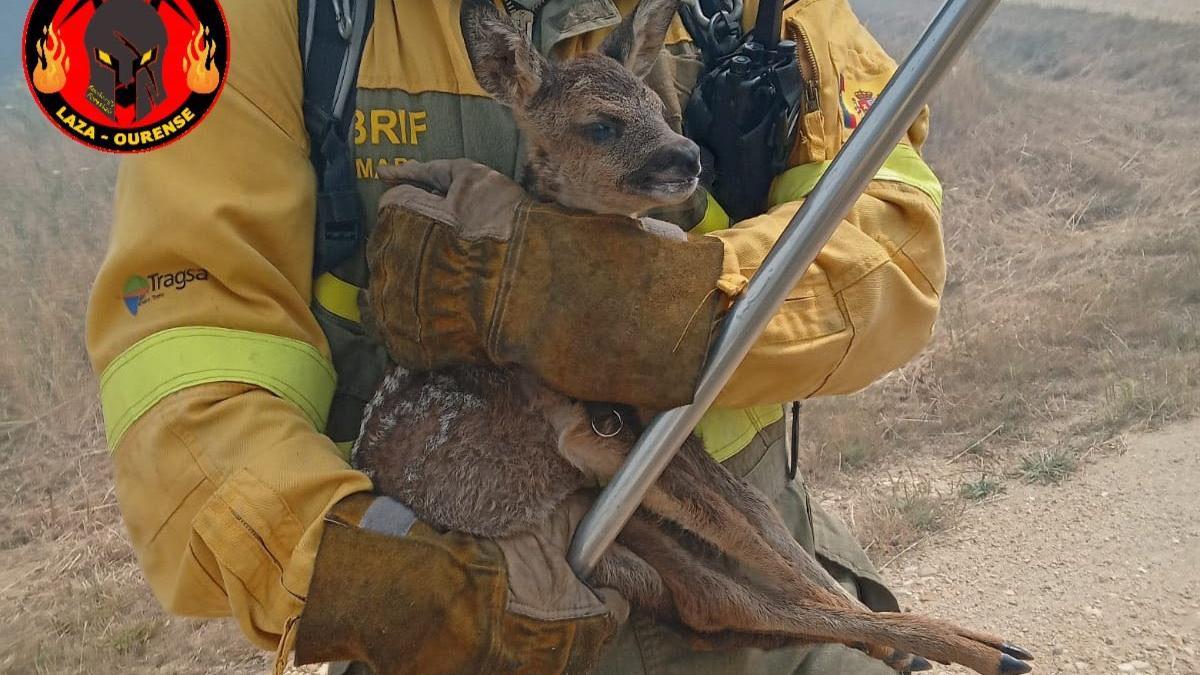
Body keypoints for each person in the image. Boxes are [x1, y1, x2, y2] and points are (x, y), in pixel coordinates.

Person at [85, 0, 945, 673]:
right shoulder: (244, 25)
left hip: (760, 594)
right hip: (474, 630)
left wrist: (667, 308)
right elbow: (189, 354)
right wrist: (366, 569)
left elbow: (892, 233)